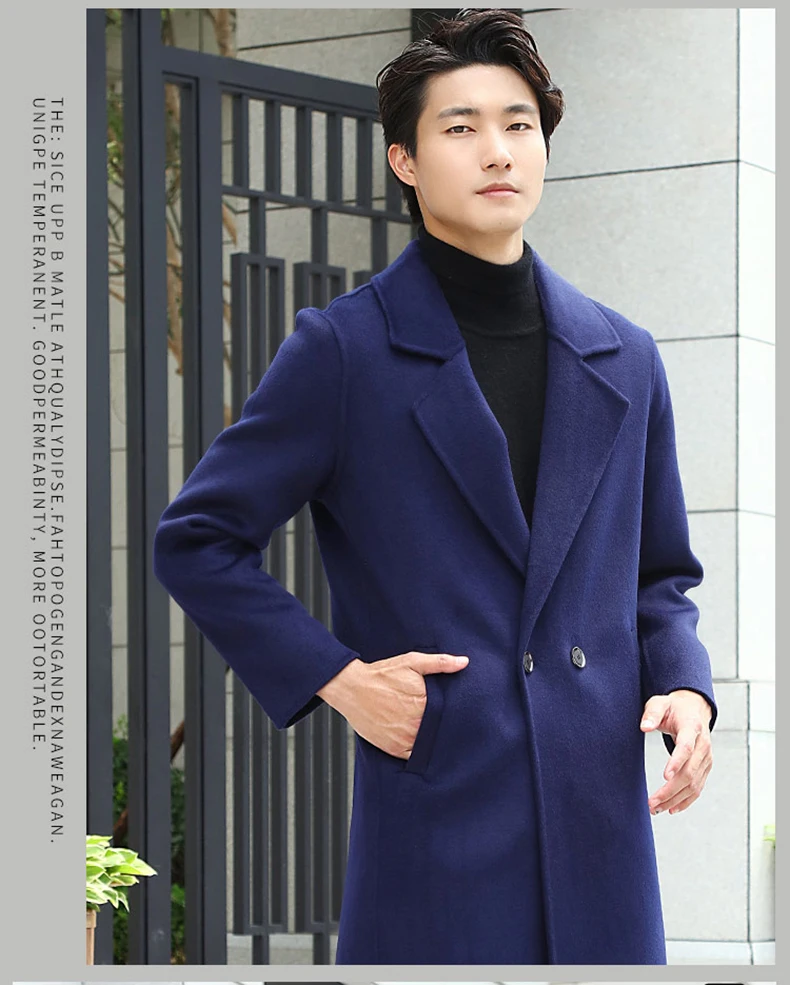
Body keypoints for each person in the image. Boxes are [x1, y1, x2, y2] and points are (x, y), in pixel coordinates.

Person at [153, 8, 717, 965]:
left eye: (518, 124)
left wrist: (686, 689)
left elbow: (659, 574)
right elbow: (196, 537)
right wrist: (341, 680)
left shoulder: (625, 355)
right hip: (441, 817)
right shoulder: (346, 350)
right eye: (461, 127)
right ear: (405, 161)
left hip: (600, 825)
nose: (497, 150)